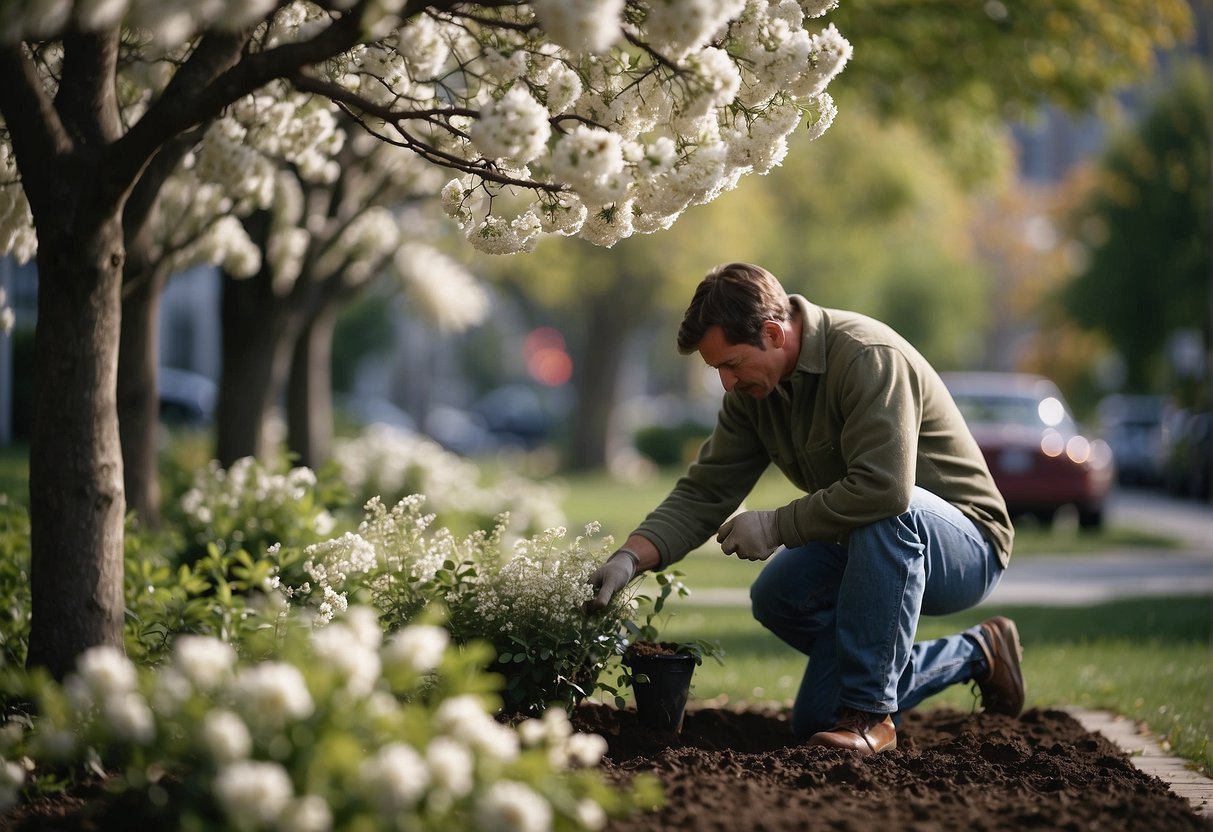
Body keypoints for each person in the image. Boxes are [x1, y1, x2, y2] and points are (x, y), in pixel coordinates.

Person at [589, 262, 1024, 755]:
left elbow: (884, 489)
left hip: (964, 544)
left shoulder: (866, 356)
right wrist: (629, 558)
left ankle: (871, 714)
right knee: (780, 603)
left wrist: (777, 525)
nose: (727, 384)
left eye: (730, 365)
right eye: (717, 371)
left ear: (773, 334)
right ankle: (974, 653)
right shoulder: (754, 395)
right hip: (865, 538)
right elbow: (705, 491)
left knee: (886, 511)